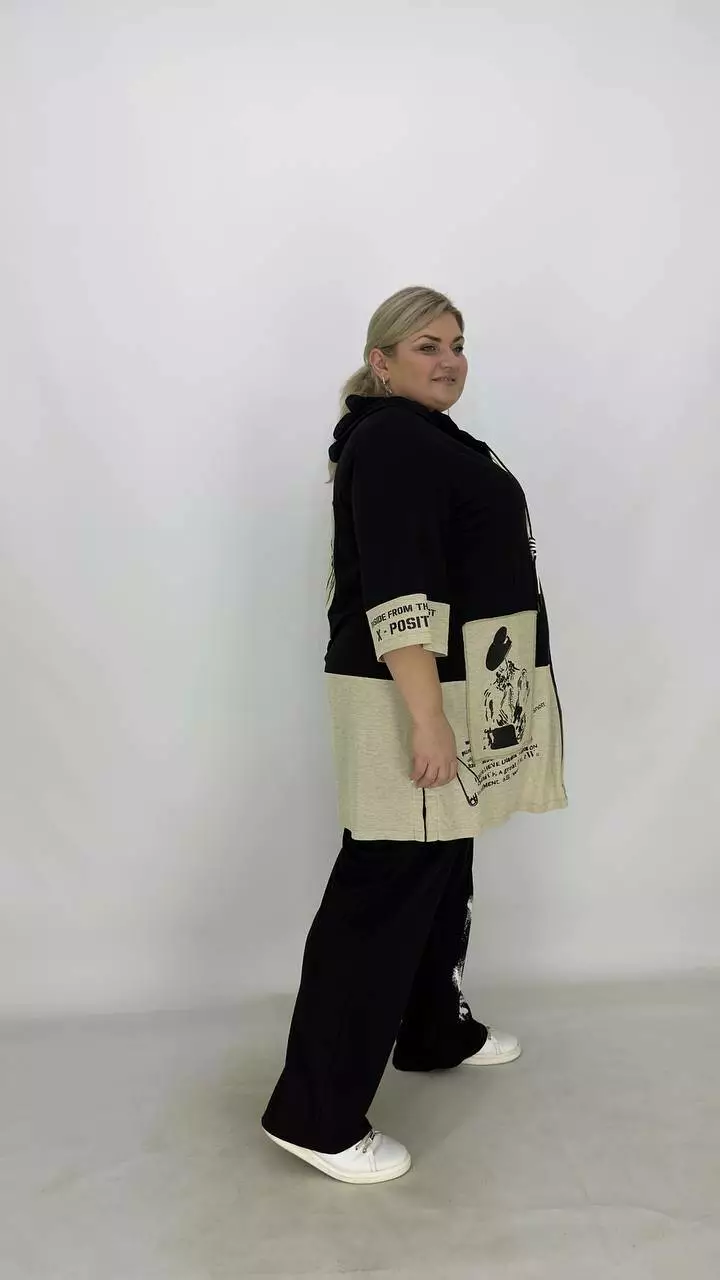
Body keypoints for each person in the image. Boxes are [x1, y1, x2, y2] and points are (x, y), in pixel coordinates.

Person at [261, 285, 567, 1184]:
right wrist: (427, 720)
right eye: (426, 344)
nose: (449, 360)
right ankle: (314, 1114)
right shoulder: (394, 439)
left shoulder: (422, 436)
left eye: (458, 344)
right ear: (382, 360)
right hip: (412, 694)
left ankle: (432, 1028)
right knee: (385, 886)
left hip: (455, 688)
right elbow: (400, 589)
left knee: (441, 863)